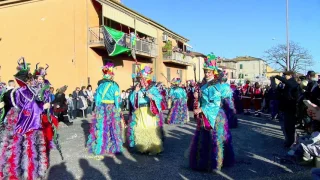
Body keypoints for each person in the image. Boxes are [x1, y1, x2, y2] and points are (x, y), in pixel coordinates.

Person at [0, 58, 60, 179]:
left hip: (14, 120)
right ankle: (27, 171)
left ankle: (13, 170)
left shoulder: (14, 91)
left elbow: (5, 104)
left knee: (14, 145)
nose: (32, 80)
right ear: (27, 79)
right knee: (28, 146)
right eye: (30, 78)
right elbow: (31, 106)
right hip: (25, 121)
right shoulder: (24, 91)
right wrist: (44, 106)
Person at [189, 53, 234, 172]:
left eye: (209, 72)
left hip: (215, 116)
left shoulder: (215, 85)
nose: (207, 73)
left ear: (213, 72)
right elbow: (203, 100)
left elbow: (215, 102)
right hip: (205, 116)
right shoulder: (204, 85)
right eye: (205, 71)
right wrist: (197, 98)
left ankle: (216, 164)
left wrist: (202, 109)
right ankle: (203, 162)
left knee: (216, 139)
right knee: (204, 139)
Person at [87, 62, 124, 155]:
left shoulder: (100, 86)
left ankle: (100, 148)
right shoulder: (115, 85)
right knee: (114, 127)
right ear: (111, 75)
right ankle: (115, 147)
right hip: (112, 108)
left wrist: (97, 108)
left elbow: (97, 99)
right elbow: (117, 99)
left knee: (101, 127)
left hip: (102, 108)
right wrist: (118, 108)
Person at [127, 64, 164, 155]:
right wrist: (135, 92)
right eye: (140, 79)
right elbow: (131, 100)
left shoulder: (152, 88)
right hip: (140, 112)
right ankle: (143, 148)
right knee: (140, 128)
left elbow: (160, 98)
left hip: (149, 111)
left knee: (150, 128)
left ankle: (152, 148)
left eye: (143, 79)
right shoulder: (137, 88)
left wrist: (152, 97)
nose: (141, 81)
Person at [273, 71, 299, 148]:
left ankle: (290, 142)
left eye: (285, 75)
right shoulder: (287, 84)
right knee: (287, 127)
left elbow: (288, 83)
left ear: (290, 75)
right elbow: (282, 92)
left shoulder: (293, 83)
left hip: (291, 108)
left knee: (290, 127)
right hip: (286, 108)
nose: (284, 77)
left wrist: (277, 76)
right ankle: (288, 141)